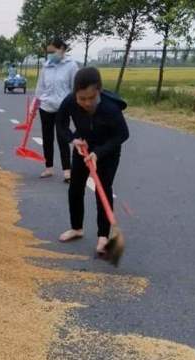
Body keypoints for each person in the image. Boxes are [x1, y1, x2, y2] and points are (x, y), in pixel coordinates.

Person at [56, 67, 129, 257]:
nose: (87, 103)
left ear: (99, 90)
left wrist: (99, 153)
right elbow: (61, 124)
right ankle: (76, 228)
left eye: (91, 98)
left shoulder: (110, 108)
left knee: (103, 189)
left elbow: (122, 134)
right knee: (75, 187)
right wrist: (73, 139)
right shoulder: (70, 101)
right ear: (75, 94)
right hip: (83, 148)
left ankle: (103, 236)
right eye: (82, 98)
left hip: (107, 151)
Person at [35, 38, 79, 182]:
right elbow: (40, 87)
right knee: (47, 138)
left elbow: (75, 88)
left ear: (62, 50)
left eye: (53, 52)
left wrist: (75, 107)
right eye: (48, 52)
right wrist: (35, 104)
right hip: (46, 106)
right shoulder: (46, 66)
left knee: (62, 138)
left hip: (63, 107)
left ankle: (67, 171)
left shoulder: (71, 66)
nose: (50, 55)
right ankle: (48, 168)